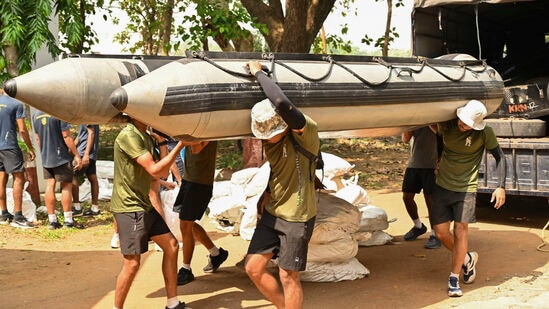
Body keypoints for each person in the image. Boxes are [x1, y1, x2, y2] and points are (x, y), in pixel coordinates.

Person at [244, 60, 320, 309]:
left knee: (288, 275)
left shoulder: (305, 131)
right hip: (273, 212)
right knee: (253, 268)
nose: (267, 137)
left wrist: (258, 73)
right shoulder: (270, 141)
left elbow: (282, 104)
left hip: (297, 217)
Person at [431, 100, 506, 297]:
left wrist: (500, 186)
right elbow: (439, 136)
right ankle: (467, 259)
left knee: (460, 231)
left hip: (466, 188)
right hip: (442, 185)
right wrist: (438, 158)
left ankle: (454, 278)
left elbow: (500, 156)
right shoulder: (447, 125)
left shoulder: (484, 133)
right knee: (440, 233)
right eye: (461, 121)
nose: (461, 125)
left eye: (466, 124)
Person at [110, 117, 188, 309]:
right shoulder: (129, 135)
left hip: (143, 204)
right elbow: (154, 170)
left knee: (171, 246)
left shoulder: (145, 136)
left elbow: (162, 172)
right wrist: (180, 146)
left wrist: (161, 141)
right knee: (132, 264)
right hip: (130, 207)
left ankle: (172, 303)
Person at [175, 140, 229, 285]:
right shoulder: (196, 125)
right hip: (190, 179)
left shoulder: (207, 126)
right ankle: (216, 254)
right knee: (188, 224)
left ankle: (186, 269)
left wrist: (183, 138)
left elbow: (196, 148)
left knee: (186, 225)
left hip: (199, 183)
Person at [32, 111, 83, 229]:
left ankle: (52, 221)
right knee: (66, 186)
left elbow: (38, 138)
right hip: (61, 156)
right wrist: (76, 155)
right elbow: (66, 136)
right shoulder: (58, 111)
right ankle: (68, 220)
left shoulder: (35, 115)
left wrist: (44, 152)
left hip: (46, 156)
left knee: (50, 185)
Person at [0, 86, 36, 228]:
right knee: (19, 178)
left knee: (1, 178)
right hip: (9, 146)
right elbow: (22, 129)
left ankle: (3, 213)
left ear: (2, 89)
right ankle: (18, 216)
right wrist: (30, 148)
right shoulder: (16, 104)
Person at [401, 126, 441, 249]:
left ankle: (435, 234)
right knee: (407, 197)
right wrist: (410, 125)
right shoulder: (415, 120)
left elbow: (442, 135)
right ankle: (418, 226)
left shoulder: (437, 120)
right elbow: (405, 139)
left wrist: (429, 123)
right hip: (415, 164)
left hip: (432, 165)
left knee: (430, 201)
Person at [72, 124, 101, 216]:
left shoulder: (86, 115)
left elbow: (91, 133)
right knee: (92, 177)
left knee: (72, 176)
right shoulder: (90, 115)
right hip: (91, 153)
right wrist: (71, 148)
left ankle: (77, 208)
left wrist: (86, 154)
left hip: (84, 152)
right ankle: (95, 208)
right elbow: (80, 136)